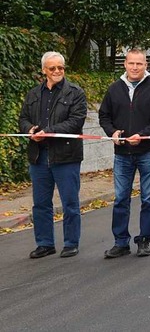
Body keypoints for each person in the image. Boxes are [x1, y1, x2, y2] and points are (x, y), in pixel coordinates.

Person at [99, 49, 150, 258]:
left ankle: (144, 239)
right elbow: (104, 116)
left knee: (148, 197)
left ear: (146, 64)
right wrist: (112, 132)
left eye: (139, 63)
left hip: (148, 151)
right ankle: (121, 242)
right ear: (125, 64)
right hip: (122, 153)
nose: (135, 67)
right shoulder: (114, 89)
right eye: (132, 63)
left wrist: (142, 134)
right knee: (121, 198)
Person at [18, 51, 87, 258]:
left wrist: (47, 131)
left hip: (66, 155)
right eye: (52, 68)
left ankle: (71, 243)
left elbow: (76, 121)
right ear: (44, 70)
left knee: (70, 202)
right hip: (38, 156)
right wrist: (30, 130)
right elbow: (23, 119)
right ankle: (45, 243)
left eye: (61, 68)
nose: (57, 71)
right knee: (40, 203)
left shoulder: (75, 92)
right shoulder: (33, 94)